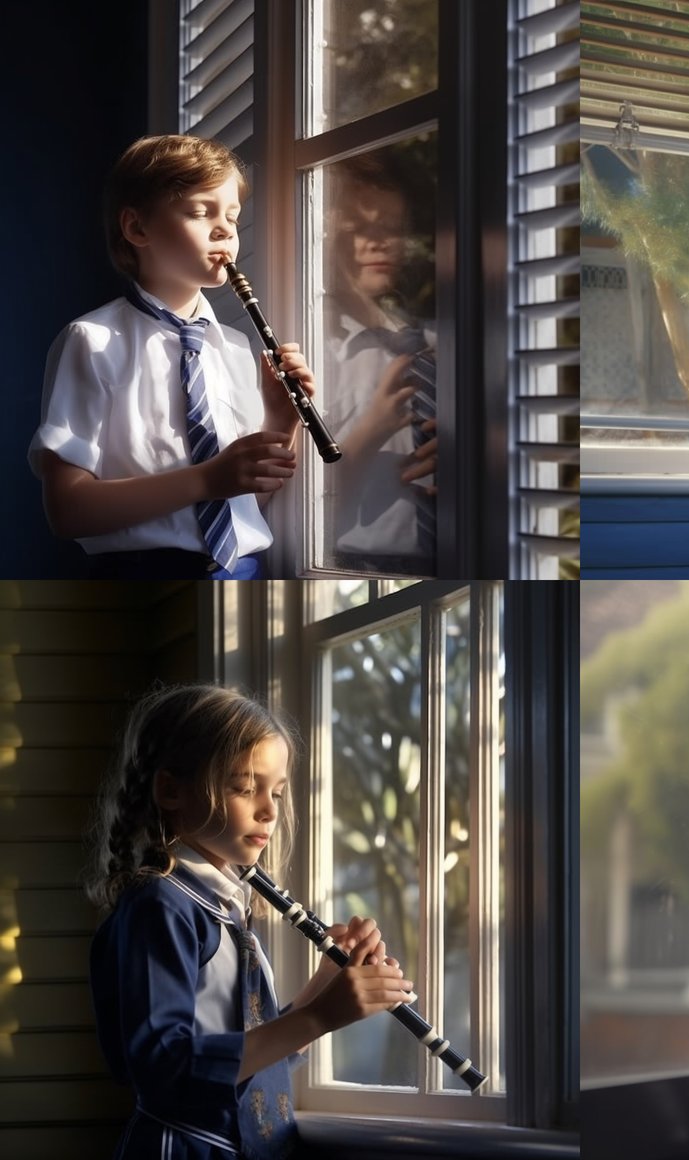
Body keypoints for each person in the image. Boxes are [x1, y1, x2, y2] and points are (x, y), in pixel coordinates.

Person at [84, 684, 416, 1158]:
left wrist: (323, 989)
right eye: (244, 787)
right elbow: (163, 1070)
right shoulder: (160, 905)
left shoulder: (222, 902)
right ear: (170, 790)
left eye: (277, 791)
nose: (270, 809)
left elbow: (250, 1065)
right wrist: (318, 1016)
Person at [29, 134, 314, 579]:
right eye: (202, 212)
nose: (224, 229)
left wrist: (281, 420)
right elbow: (67, 512)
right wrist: (207, 479)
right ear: (137, 229)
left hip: (243, 572)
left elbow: (244, 505)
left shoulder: (238, 351)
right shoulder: (92, 340)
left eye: (233, 218)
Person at [322, 151, 438, 575]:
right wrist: (373, 428)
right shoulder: (315, 353)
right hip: (349, 565)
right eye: (360, 228)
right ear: (325, 234)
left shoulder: (432, 346)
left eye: (392, 228)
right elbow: (288, 501)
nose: (380, 241)